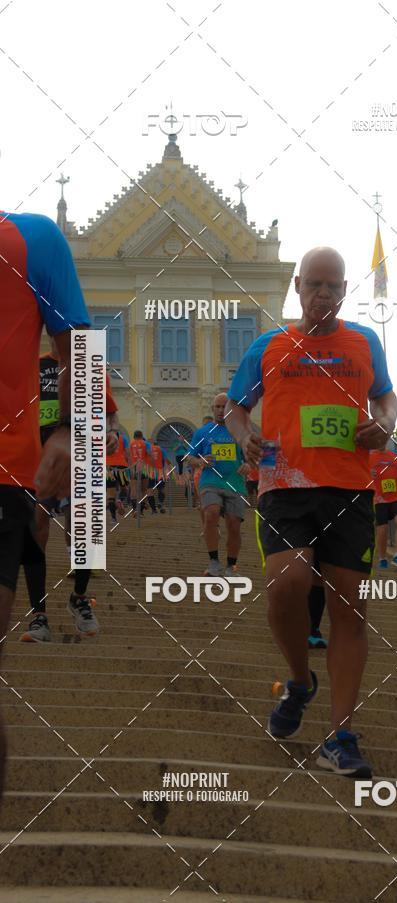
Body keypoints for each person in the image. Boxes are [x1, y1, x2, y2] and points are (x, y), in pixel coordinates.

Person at [226, 246, 397, 778]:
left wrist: (385, 424)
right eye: (314, 285)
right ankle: (299, 681)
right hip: (284, 487)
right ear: (297, 286)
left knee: (351, 614)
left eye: (333, 286)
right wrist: (244, 435)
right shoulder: (268, 345)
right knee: (287, 583)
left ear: (343, 290)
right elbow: (235, 406)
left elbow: (386, 399)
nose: (323, 294)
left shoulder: (365, 342)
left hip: (349, 489)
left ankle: (340, 736)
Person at [0, 211, 90, 799]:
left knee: (86, 536)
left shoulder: (31, 237)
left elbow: (77, 346)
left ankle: (77, 602)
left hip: (9, 472)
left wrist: (67, 435)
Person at [20, 340, 118, 641]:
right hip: (38, 460)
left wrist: (112, 431)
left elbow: (110, 411)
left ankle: (79, 598)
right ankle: (39, 615)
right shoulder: (33, 365)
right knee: (36, 527)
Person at [190, 394, 249, 577]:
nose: (221, 410)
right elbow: (189, 457)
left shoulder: (240, 431)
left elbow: (251, 455)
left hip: (235, 483)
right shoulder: (202, 432)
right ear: (212, 409)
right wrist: (199, 461)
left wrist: (248, 464)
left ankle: (231, 566)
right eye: (217, 407)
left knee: (234, 525)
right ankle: (214, 562)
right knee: (211, 513)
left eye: (224, 407)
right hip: (210, 481)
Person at [370, 446, 397, 569]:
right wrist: (368, 473)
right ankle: (382, 557)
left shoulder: (395, 456)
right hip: (379, 498)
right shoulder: (369, 456)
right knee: (383, 528)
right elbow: (359, 472)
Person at [106, 430, 131, 523]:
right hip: (121, 466)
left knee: (110, 495)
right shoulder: (123, 438)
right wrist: (130, 465)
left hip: (108, 468)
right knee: (125, 488)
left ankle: (113, 518)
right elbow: (128, 453)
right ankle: (120, 499)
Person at [129, 430, 151, 517]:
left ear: (134, 436)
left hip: (134, 466)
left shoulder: (131, 444)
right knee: (144, 489)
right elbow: (150, 454)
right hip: (144, 467)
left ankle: (134, 509)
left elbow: (128, 455)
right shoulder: (145, 443)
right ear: (142, 436)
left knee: (134, 489)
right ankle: (141, 510)